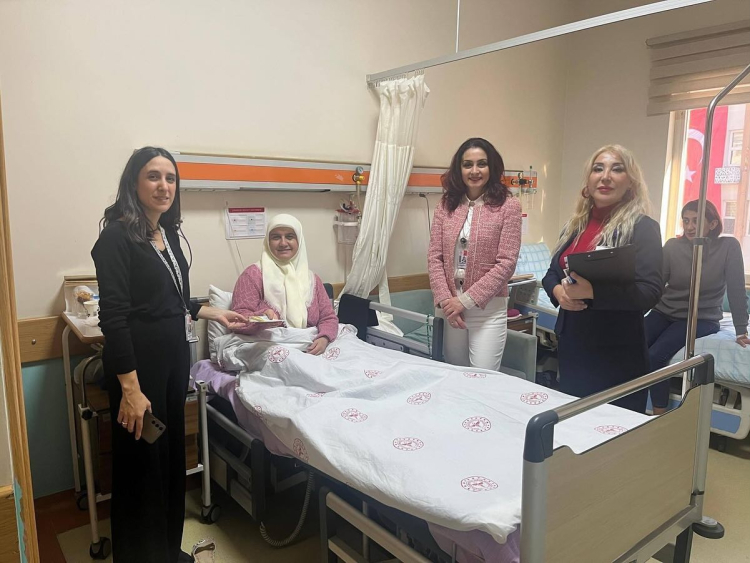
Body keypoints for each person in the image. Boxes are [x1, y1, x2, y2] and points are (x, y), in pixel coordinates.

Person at [92, 147, 247, 563]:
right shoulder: (116, 238)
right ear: (134, 182)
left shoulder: (167, 234)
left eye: (171, 178)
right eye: (153, 176)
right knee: (142, 464)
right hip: (138, 370)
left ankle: (166, 550)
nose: (164, 186)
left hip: (174, 363)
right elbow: (114, 318)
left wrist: (212, 312)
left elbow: (169, 298)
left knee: (168, 457)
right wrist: (130, 390)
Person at [542, 145, 663, 413]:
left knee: (614, 429)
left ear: (630, 183)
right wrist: (558, 292)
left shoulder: (642, 228)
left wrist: (593, 292)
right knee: (574, 424)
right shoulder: (574, 227)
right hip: (573, 346)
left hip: (616, 352)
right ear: (588, 182)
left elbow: (650, 291)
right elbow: (551, 273)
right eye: (598, 169)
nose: (605, 176)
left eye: (617, 169)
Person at [647, 199, 750, 414]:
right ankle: (624, 402)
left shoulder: (728, 247)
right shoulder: (673, 247)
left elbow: (736, 289)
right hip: (664, 311)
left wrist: (741, 329)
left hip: (701, 317)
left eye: (696, 221)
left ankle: (658, 416)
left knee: (655, 355)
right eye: (686, 221)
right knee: (631, 346)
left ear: (712, 224)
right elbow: (656, 285)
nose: (689, 226)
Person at [428, 137, 522, 370]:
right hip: (450, 308)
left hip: (486, 310)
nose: (475, 171)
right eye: (467, 164)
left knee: (482, 378)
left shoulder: (508, 206)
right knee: (455, 373)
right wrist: (446, 301)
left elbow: (507, 263)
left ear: (492, 167)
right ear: (459, 169)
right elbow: (435, 257)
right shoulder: (446, 205)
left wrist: (465, 301)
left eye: (482, 163)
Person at [231, 213, 338, 353]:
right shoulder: (252, 275)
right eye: (276, 237)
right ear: (268, 242)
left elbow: (328, 317)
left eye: (290, 237)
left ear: (299, 241)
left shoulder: (312, 280)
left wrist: (324, 337)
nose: (283, 243)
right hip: (268, 345)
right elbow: (238, 319)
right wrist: (263, 316)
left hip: (310, 343)